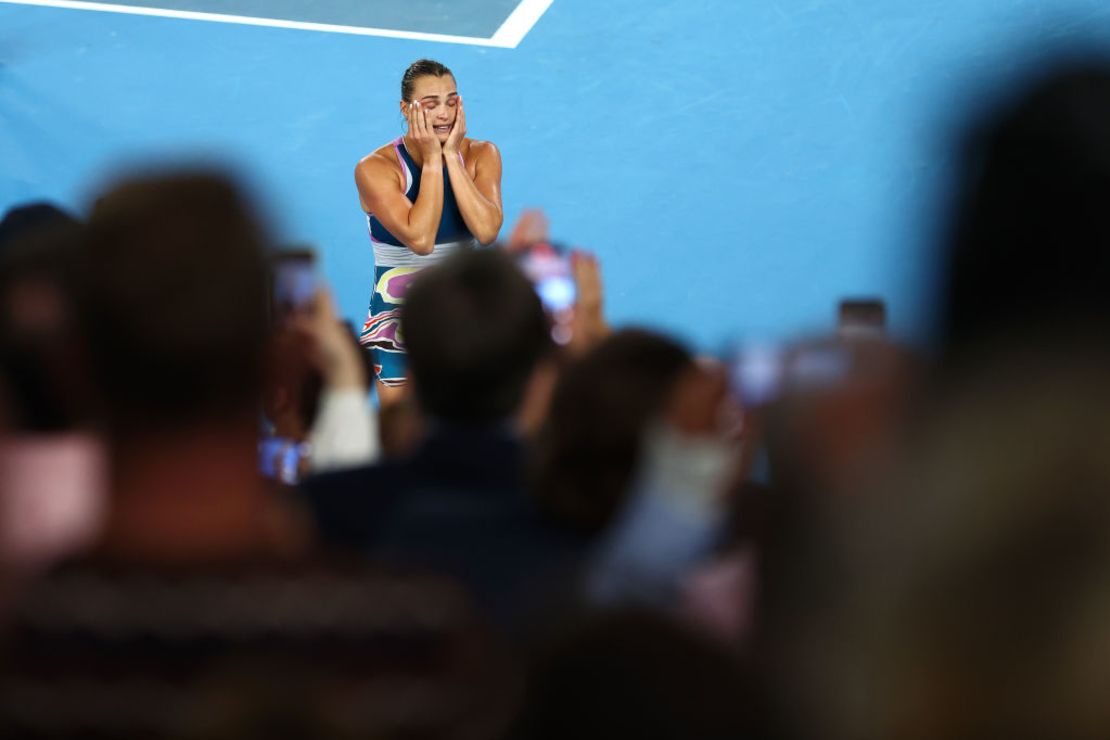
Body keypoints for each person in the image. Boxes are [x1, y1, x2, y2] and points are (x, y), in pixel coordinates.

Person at [302, 249, 584, 629]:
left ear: (411, 370)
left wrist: (347, 393)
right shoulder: (585, 517)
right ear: (542, 378)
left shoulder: (322, 514)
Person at [356, 59, 503, 406]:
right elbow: (420, 239)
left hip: (465, 314)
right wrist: (433, 159)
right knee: (401, 441)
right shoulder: (376, 168)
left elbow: (486, 231)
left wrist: (451, 154)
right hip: (396, 320)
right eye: (431, 104)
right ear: (406, 109)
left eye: (451, 101)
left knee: (470, 433)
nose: (444, 114)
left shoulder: (483, 154)